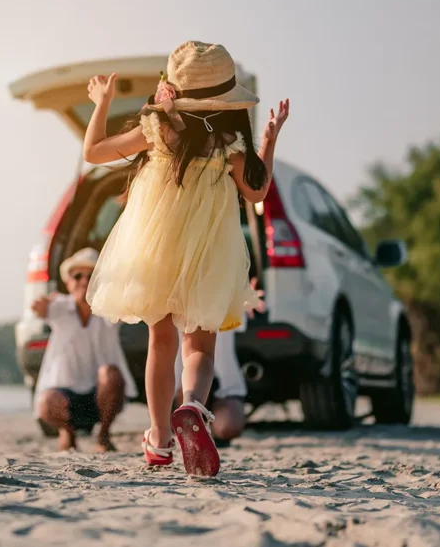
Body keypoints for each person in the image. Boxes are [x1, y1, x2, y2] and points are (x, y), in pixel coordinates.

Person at [82, 41, 290, 476]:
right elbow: (256, 193)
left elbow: (94, 153)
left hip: (155, 248)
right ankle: (193, 405)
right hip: (211, 252)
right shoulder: (230, 141)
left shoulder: (157, 129)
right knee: (200, 345)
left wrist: (102, 104)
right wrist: (268, 143)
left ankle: (158, 438)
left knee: (161, 343)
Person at [30, 248, 138, 452]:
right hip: (65, 394)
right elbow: (39, 309)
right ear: (68, 283)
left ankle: (103, 434)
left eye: (91, 276)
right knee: (46, 402)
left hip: (101, 395)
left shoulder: (109, 308)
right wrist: (39, 305)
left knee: (111, 374)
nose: (84, 281)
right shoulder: (59, 307)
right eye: (77, 276)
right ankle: (67, 433)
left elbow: (127, 308)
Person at [172, 277, 266, 446]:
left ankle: (198, 424)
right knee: (196, 363)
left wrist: (248, 297)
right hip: (181, 385)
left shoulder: (225, 287)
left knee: (229, 427)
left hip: (223, 380)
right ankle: (191, 416)